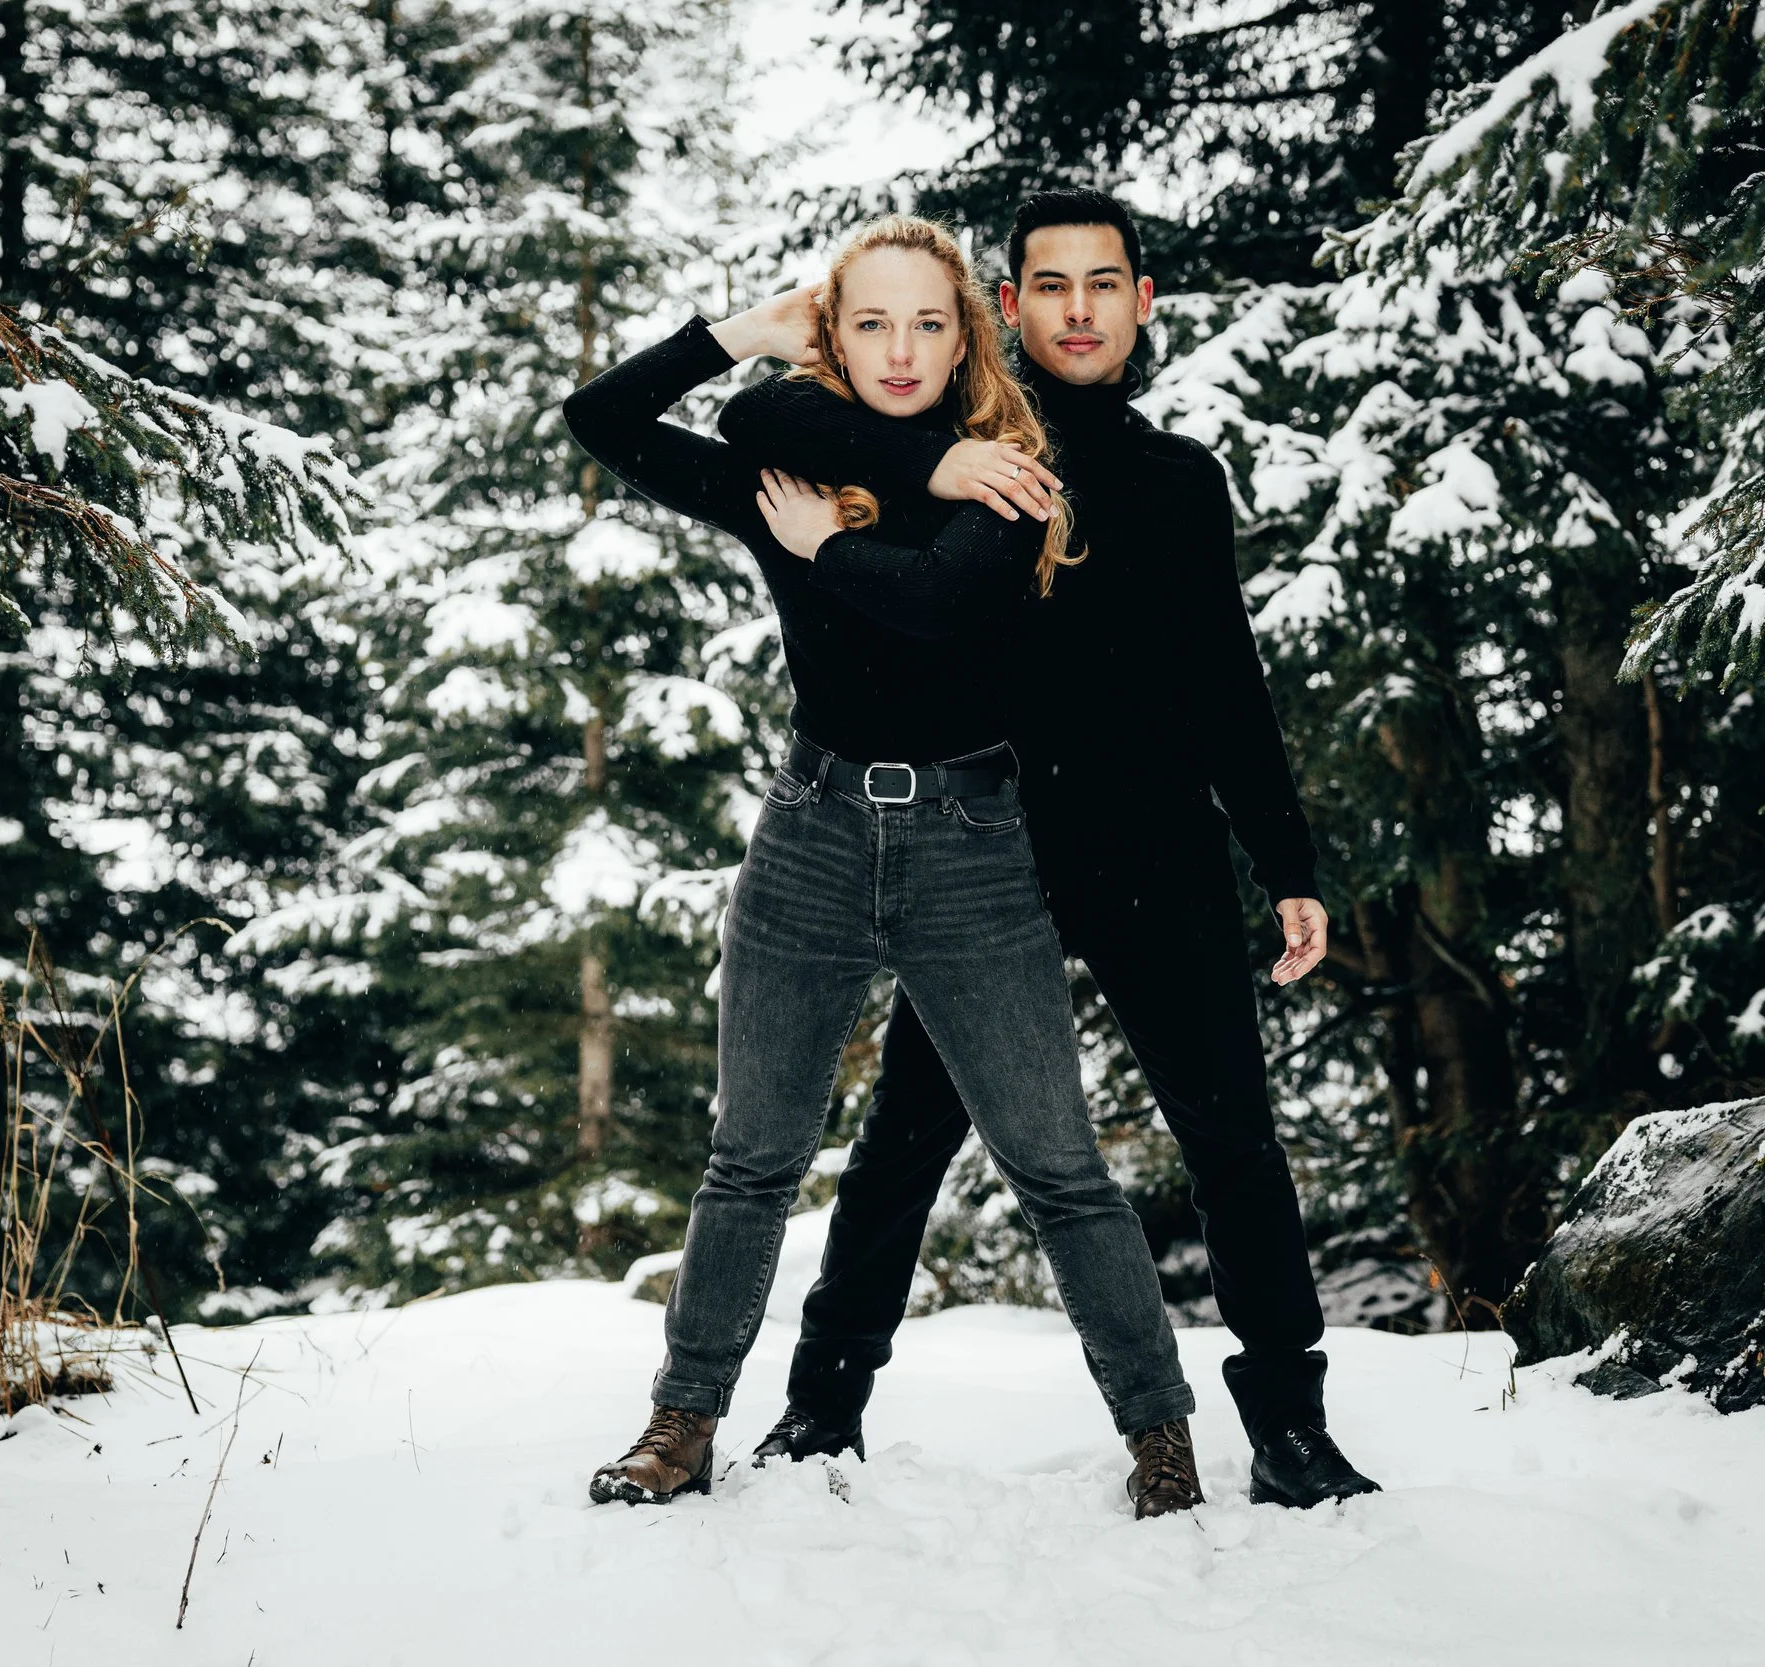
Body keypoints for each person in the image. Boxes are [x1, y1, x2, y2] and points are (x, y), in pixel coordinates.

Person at [718, 190, 1380, 1510]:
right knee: (907, 1137)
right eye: (1049, 288)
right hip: (991, 857)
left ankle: (1293, 1428)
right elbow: (765, 416)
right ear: (1006, 312)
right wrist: (877, 501)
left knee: (1233, 1139)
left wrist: (1288, 859)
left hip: (1160, 856)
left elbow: (1225, 687)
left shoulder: (1181, 480)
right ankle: (821, 1404)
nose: (1079, 310)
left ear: (1142, 303)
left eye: (1105, 284)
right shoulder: (956, 444)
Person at [562, 214, 1206, 1519]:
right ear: (833, 340)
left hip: (972, 844)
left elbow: (931, 601)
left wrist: (825, 547)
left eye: (928, 321)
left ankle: (1160, 1433)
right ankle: (681, 1424)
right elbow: (603, 417)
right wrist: (740, 332)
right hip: (810, 832)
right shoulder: (790, 462)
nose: (902, 348)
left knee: (1057, 1163)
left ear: (964, 331)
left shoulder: (1012, 471)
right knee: (751, 1155)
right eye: (869, 322)